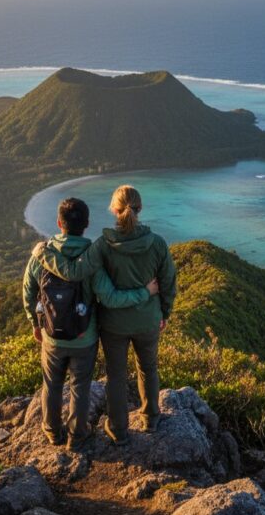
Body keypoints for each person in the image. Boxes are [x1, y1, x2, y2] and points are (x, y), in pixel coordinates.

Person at [35, 185, 176, 445]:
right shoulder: (157, 244)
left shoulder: (103, 245)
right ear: (140, 208)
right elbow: (168, 283)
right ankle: (150, 418)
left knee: (116, 375)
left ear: (114, 209)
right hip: (148, 320)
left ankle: (118, 430)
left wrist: (44, 253)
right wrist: (163, 312)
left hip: (113, 324)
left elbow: (74, 272)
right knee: (148, 369)